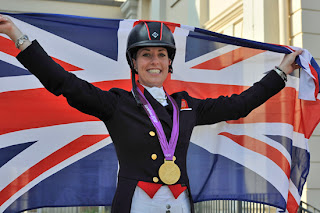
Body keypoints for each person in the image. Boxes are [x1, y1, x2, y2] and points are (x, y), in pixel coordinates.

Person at [0, 14, 302, 213]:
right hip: (134, 205)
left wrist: (279, 72)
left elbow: (239, 104)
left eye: (161, 54)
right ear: (134, 63)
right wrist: (18, 37)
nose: (154, 61)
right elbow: (63, 83)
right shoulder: (116, 104)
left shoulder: (188, 105)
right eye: (146, 54)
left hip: (180, 204)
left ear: (169, 63)